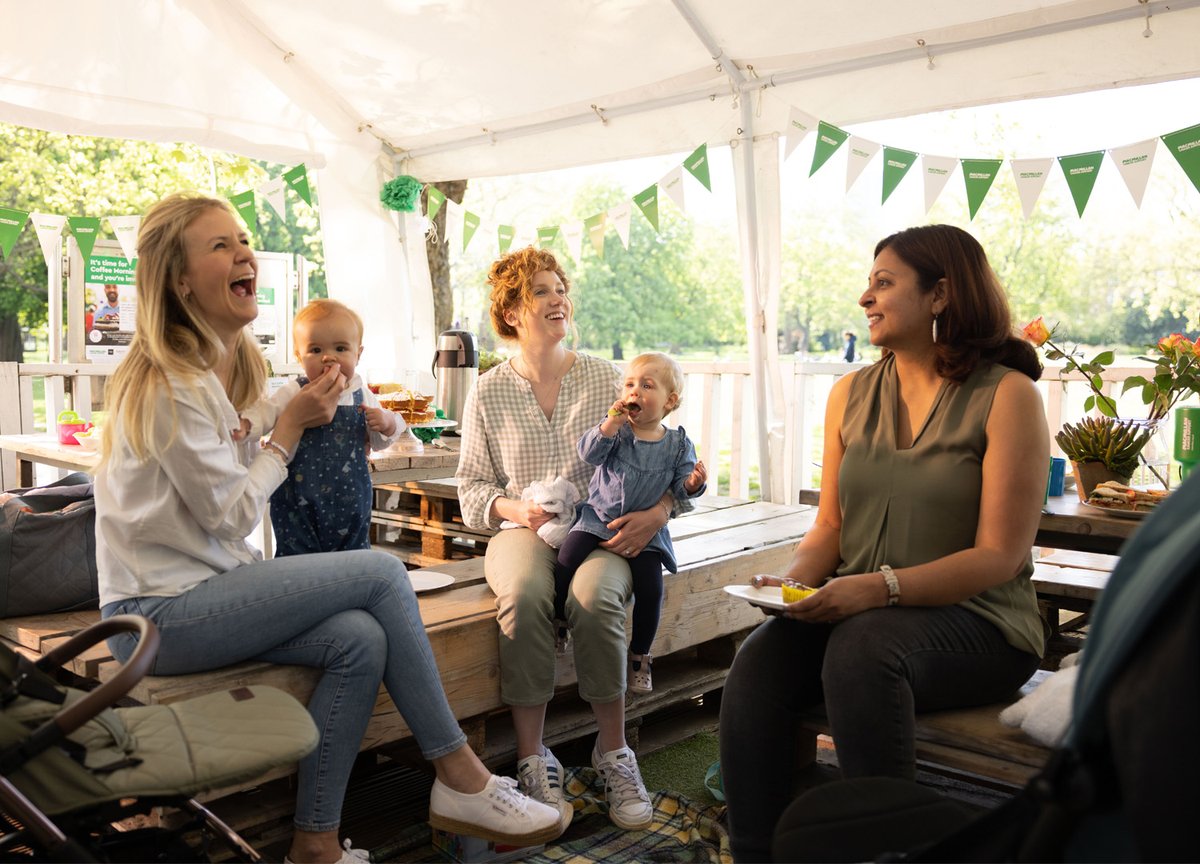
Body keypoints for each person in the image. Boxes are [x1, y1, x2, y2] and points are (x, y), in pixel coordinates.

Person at [93, 193, 562, 864]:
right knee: (378, 570)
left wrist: (280, 426)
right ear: (178, 279)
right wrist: (284, 435)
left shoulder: (214, 377)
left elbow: (230, 486)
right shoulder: (170, 382)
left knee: (359, 640)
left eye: (243, 239)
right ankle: (459, 774)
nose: (243, 252)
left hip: (208, 591)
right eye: (220, 245)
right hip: (153, 616)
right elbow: (230, 515)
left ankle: (315, 843)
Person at [718, 224, 1049, 862]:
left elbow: (999, 557)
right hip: (861, 612)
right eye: (869, 283)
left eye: (884, 283)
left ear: (941, 295)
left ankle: (884, 850)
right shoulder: (850, 394)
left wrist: (880, 588)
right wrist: (792, 586)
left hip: (980, 627)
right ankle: (755, 851)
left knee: (863, 648)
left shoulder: (1007, 396)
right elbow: (831, 530)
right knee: (761, 659)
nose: (865, 298)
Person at [457, 246, 673, 833]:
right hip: (521, 528)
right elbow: (471, 487)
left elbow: (666, 451)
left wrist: (660, 511)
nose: (558, 300)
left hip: (602, 529)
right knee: (525, 596)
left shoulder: (607, 376)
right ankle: (533, 761)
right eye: (541, 292)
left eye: (560, 288)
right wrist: (515, 509)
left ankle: (614, 752)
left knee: (597, 598)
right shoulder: (488, 389)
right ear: (511, 312)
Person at [552, 351, 707, 694]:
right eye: (630, 384)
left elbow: (681, 488)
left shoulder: (678, 444)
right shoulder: (617, 432)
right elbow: (588, 454)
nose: (634, 391)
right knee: (567, 559)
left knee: (651, 588)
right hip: (598, 517)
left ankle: (640, 656)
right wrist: (609, 422)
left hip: (647, 534)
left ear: (670, 401)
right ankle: (559, 619)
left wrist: (694, 484)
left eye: (647, 385)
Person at [238, 298, 402, 556]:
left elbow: (382, 439)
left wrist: (387, 423)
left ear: (358, 354)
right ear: (298, 356)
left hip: (351, 505)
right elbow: (268, 411)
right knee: (297, 562)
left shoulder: (361, 394)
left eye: (340, 348)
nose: (328, 357)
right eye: (315, 350)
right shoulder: (296, 391)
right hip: (298, 506)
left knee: (354, 564)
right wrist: (248, 424)